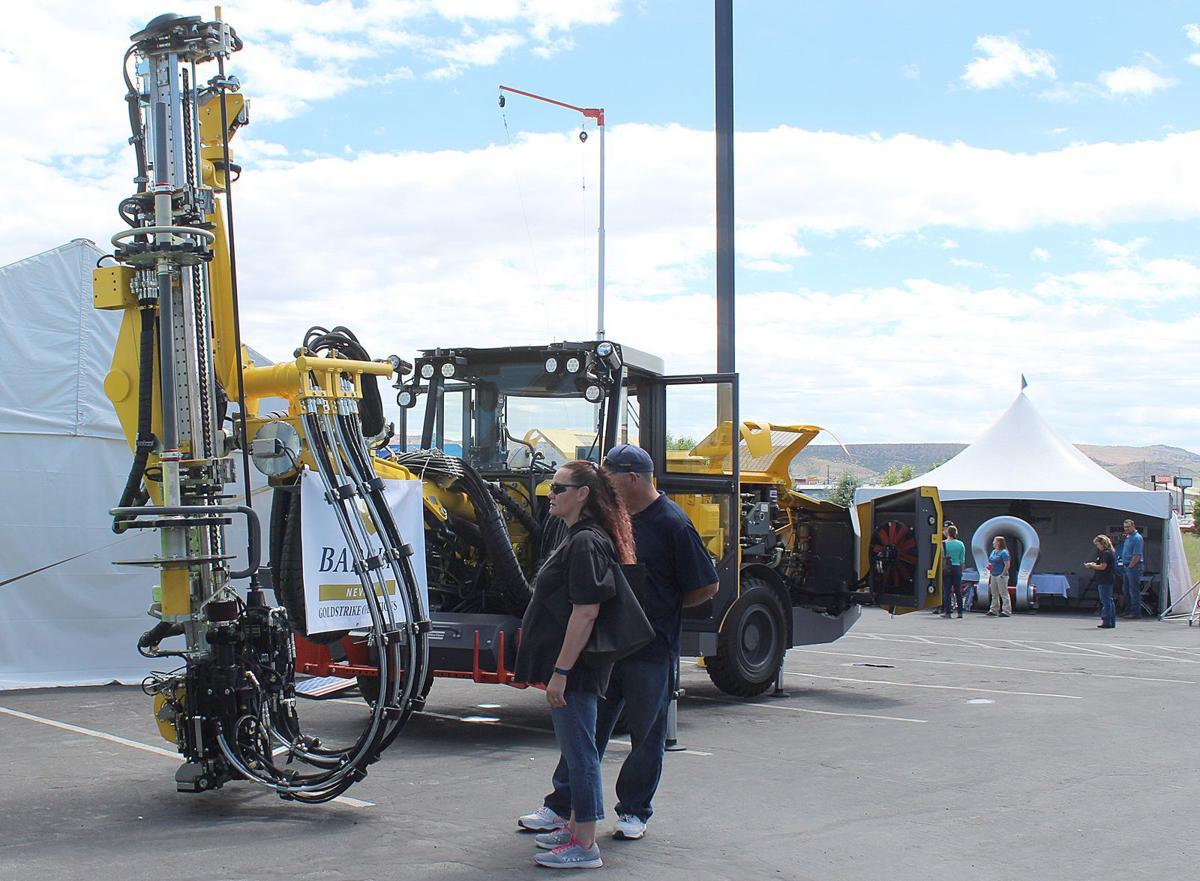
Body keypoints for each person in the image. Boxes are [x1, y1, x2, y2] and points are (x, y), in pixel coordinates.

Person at [519, 443, 719, 844]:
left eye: (608, 478)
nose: (601, 486)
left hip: (651, 648)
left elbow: (706, 585)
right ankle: (562, 807)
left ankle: (633, 810)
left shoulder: (673, 524)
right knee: (585, 733)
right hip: (607, 649)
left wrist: (657, 609)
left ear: (633, 478)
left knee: (647, 734)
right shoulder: (612, 521)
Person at [513, 460, 635, 870]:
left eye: (559, 488)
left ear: (582, 494)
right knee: (578, 750)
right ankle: (574, 827)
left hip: (576, 670)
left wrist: (561, 673)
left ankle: (585, 845)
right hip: (571, 667)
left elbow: (586, 612)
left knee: (581, 753)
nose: (551, 494)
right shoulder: (577, 537)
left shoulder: (585, 542)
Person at [1085, 534, 1117, 628]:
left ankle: (1106, 621)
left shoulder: (1106, 553)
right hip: (1105, 578)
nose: (1097, 546)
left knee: (1106, 601)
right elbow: (1102, 564)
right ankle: (1111, 621)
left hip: (1105, 579)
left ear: (1102, 544)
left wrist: (1091, 566)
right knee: (1109, 600)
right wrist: (1094, 564)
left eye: (1098, 544)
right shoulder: (1106, 553)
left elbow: (1103, 567)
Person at [1118, 519, 1144, 619]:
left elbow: (1137, 554)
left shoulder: (1137, 538)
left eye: (1128, 527)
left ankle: (1136, 612)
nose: (1126, 529)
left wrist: (1131, 566)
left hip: (1134, 566)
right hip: (1126, 565)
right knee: (1126, 590)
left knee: (1134, 590)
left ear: (1133, 526)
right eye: (1125, 527)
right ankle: (1127, 610)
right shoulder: (1128, 537)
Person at [941, 525, 966, 618]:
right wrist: (961, 570)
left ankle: (948, 612)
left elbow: (941, 558)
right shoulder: (960, 544)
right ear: (956, 533)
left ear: (947, 533)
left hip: (947, 568)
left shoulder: (943, 544)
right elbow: (962, 560)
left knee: (947, 591)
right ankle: (960, 612)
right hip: (957, 568)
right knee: (958, 591)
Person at [987, 536, 1012, 617]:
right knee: (994, 593)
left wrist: (1003, 573)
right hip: (993, 574)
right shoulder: (993, 551)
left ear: (999, 542)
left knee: (1003, 593)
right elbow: (991, 561)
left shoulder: (1004, 552)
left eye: (995, 541)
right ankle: (994, 609)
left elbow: (1007, 564)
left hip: (1001, 575)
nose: (993, 543)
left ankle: (1006, 611)